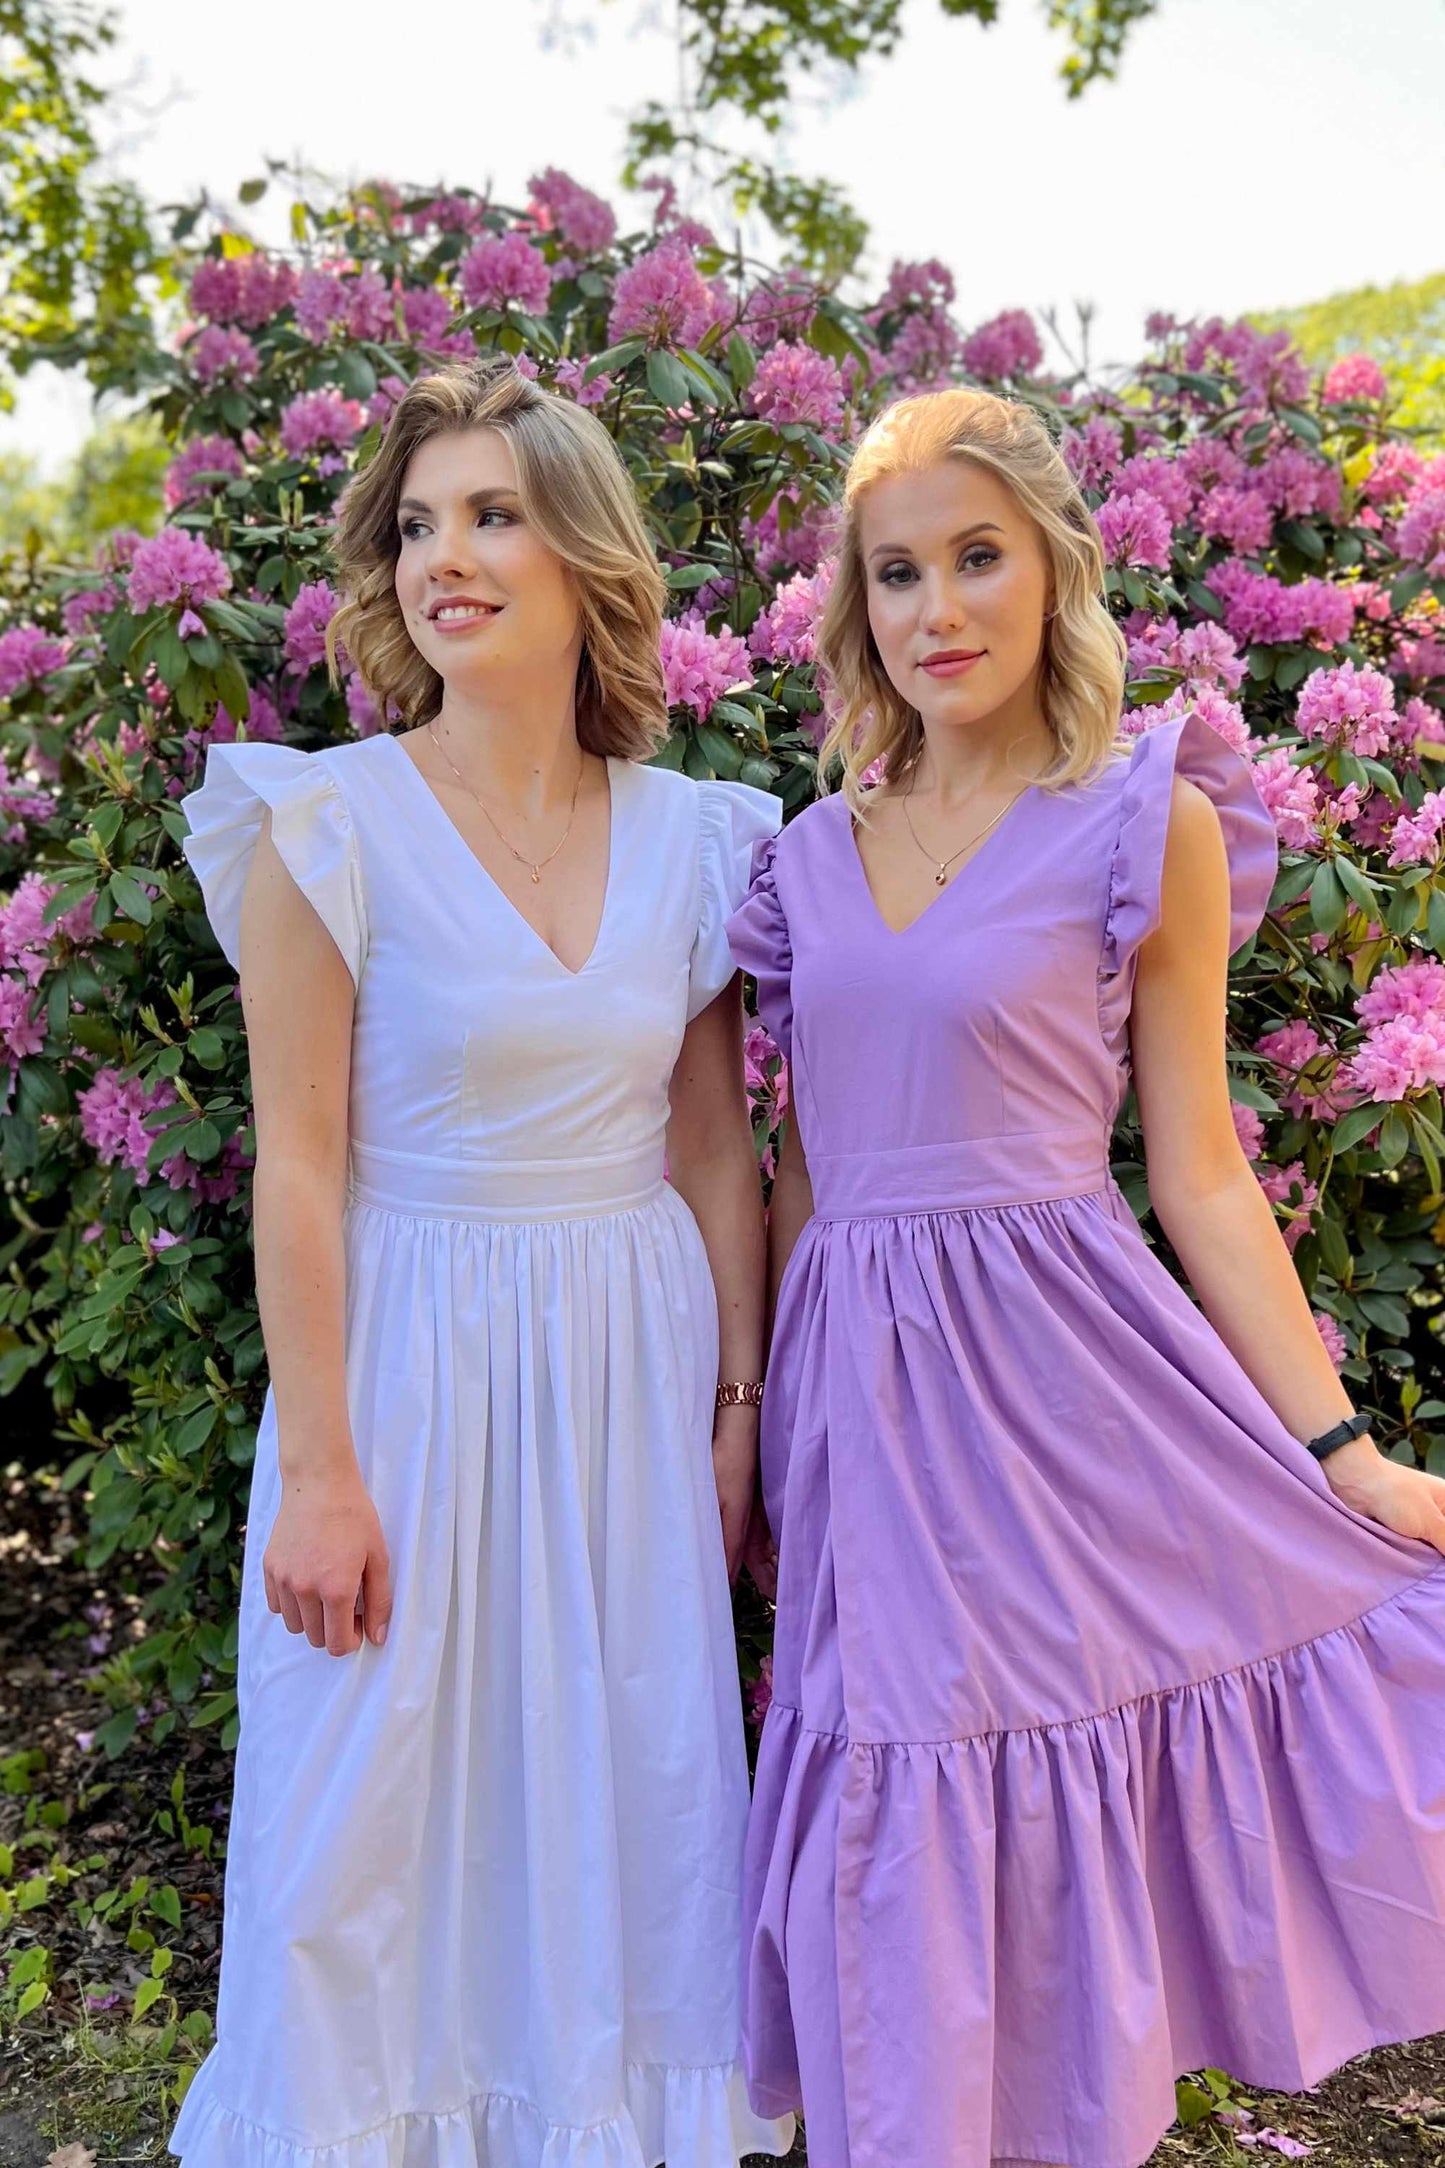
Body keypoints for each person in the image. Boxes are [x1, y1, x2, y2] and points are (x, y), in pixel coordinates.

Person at [727, 384, 1445, 2168]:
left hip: (1069, 1386)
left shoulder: (1138, 815)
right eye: (897, 572)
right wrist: (764, 1428)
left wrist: (1342, 1449)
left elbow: (1195, 1171)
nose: (938, 609)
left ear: (1053, 568)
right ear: (857, 607)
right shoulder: (803, 863)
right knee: (903, 1780)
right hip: (863, 1407)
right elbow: (800, 1174)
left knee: (1053, 1779)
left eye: (977, 557)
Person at [171, 357, 794, 2168]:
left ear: (584, 553)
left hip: (624, 1367)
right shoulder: (324, 824)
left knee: (619, 1777)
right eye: (418, 525)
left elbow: (711, 1148)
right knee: (367, 1797)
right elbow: (301, 1165)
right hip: (408, 1366)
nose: (444, 557)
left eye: (493, 516)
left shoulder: (697, 838)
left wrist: (736, 1406)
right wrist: (322, 1470)